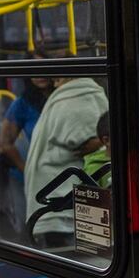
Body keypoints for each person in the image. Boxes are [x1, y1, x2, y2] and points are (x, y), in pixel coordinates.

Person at [23, 77, 109, 248]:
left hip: (58, 197)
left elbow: (82, 137)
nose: (54, 83)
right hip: (60, 198)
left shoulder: (70, 97)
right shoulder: (76, 96)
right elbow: (83, 137)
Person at [0, 77, 51, 236]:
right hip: (28, 176)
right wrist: (26, 169)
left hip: (58, 174)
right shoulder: (22, 104)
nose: (41, 75)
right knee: (30, 227)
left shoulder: (62, 98)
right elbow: (5, 143)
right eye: (35, 71)